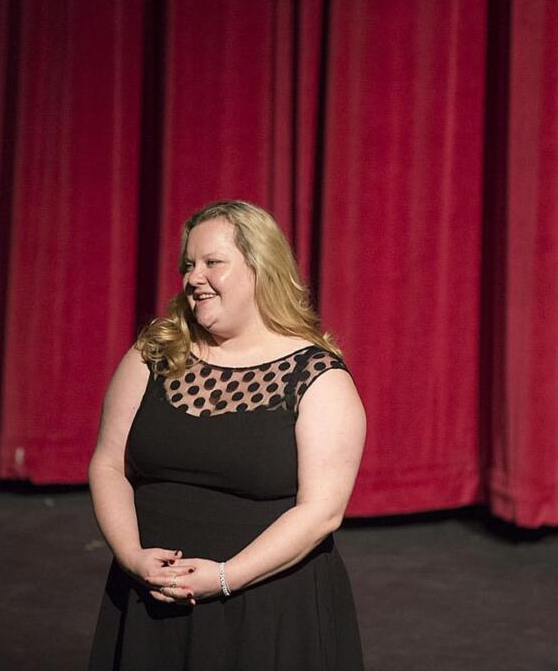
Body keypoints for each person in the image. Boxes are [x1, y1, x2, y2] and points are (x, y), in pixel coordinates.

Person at [86, 200, 366, 670]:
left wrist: (223, 577)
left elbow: (322, 512)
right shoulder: (155, 352)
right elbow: (109, 463)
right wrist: (131, 556)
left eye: (213, 263)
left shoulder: (317, 376)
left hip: (265, 613)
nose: (195, 278)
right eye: (189, 265)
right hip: (148, 602)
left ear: (261, 269)